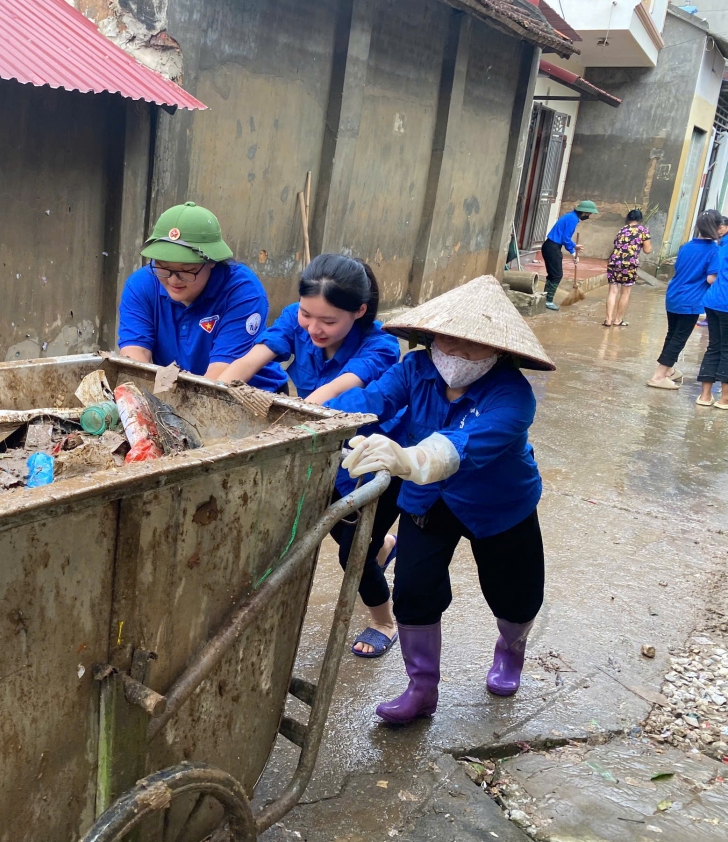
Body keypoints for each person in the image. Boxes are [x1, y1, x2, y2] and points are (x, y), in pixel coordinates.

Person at [328, 274, 555, 724]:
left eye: (473, 346)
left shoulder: (512, 394)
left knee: (516, 594)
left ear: (499, 352)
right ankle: (421, 687)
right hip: (427, 501)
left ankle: (510, 650)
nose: (456, 354)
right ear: (430, 336)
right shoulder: (415, 368)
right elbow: (370, 400)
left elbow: (460, 447)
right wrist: (325, 423)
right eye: (447, 341)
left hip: (500, 505)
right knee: (414, 590)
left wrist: (405, 458)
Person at [219, 254, 404, 656]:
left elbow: (330, 394)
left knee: (351, 551)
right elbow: (252, 359)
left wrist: (289, 422)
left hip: (370, 459)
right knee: (339, 529)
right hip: (322, 449)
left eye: (328, 321)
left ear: (359, 311)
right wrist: (213, 391)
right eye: (307, 314)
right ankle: (385, 545)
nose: (314, 328)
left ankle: (384, 621)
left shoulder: (382, 347)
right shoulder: (295, 318)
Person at [118, 202, 288, 391]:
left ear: (212, 261)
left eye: (187, 270)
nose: (174, 280)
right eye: (164, 267)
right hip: (175, 392)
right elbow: (135, 356)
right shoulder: (141, 284)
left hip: (249, 395)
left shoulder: (243, 293)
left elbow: (220, 375)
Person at [647, 209, 725, 390]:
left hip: (673, 295)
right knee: (679, 339)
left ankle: (668, 370)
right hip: (690, 300)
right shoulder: (714, 250)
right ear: (717, 227)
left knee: (672, 335)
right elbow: (711, 279)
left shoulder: (686, 246)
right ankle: (658, 376)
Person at [541, 200, 597, 311]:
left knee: (553, 275)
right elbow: (565, 238)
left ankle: (545, 297)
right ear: (584, 212)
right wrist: (572, 252)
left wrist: (574, 246)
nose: (589, 216)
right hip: (552, 247)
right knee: (557, 275)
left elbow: (564, 238)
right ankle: (548, 300)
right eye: (589, 214)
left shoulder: (570, 216)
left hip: (550, 246)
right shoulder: (572, 219)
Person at [603, 209, 651, 327]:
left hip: (614, 262)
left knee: (612, 292)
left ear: (628, 218)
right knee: (625, 293)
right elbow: (647, 250)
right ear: (640, 219)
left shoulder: (622, 229)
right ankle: (618, 320)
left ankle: (608, 320)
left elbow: (616, 244)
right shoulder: (643, 230)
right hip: (629, 264)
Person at [696, 238, 728, 409]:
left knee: (714, 346)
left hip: (712, 301)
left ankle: (705, 396)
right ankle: (725, 399)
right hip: (725, 303)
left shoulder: (722, 246)